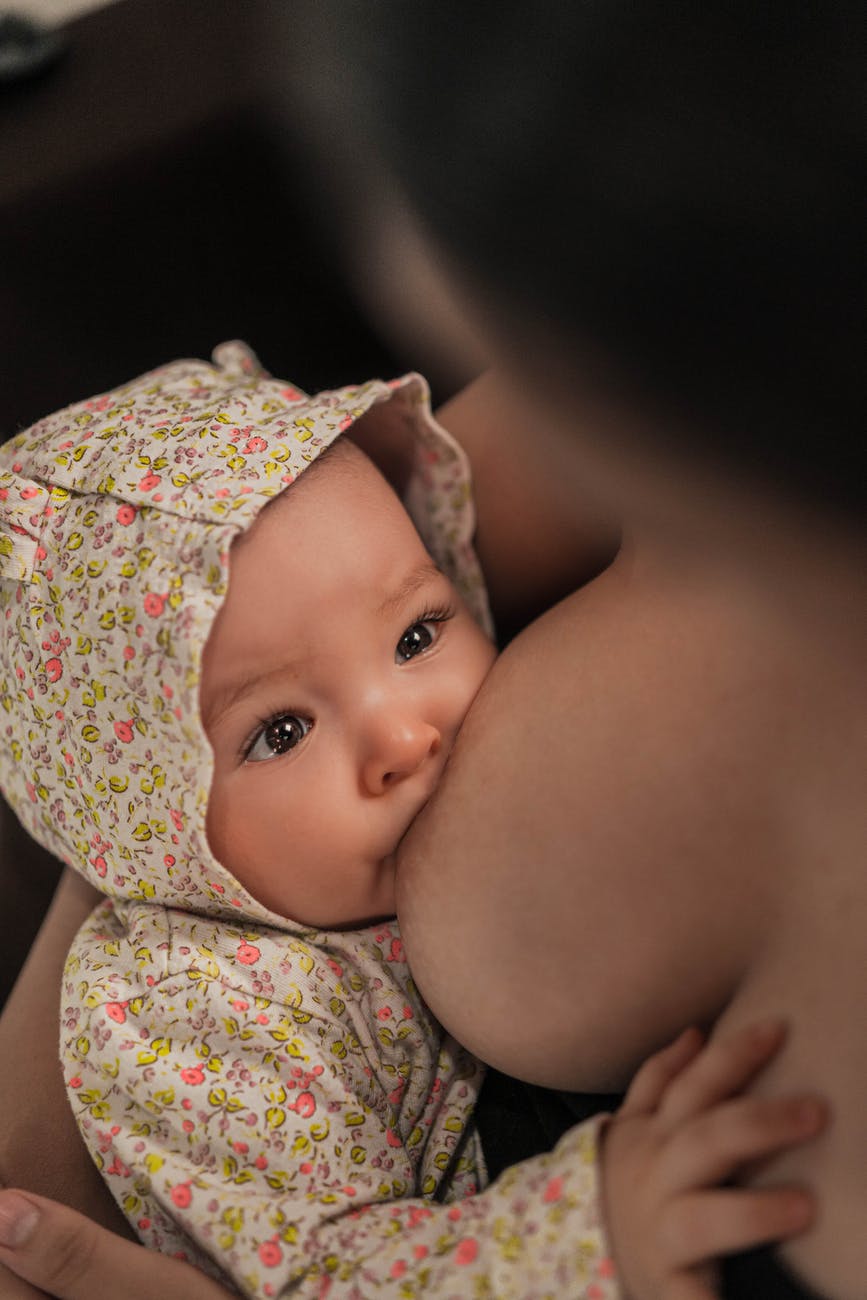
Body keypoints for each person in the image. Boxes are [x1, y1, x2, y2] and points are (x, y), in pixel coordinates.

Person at [1, 4, 864, 1297]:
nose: (408, 735)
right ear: (151, 826)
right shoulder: (187, 1019)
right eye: (280, 731)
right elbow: (323, 1275)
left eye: (419, 632)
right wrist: (587, 1229)